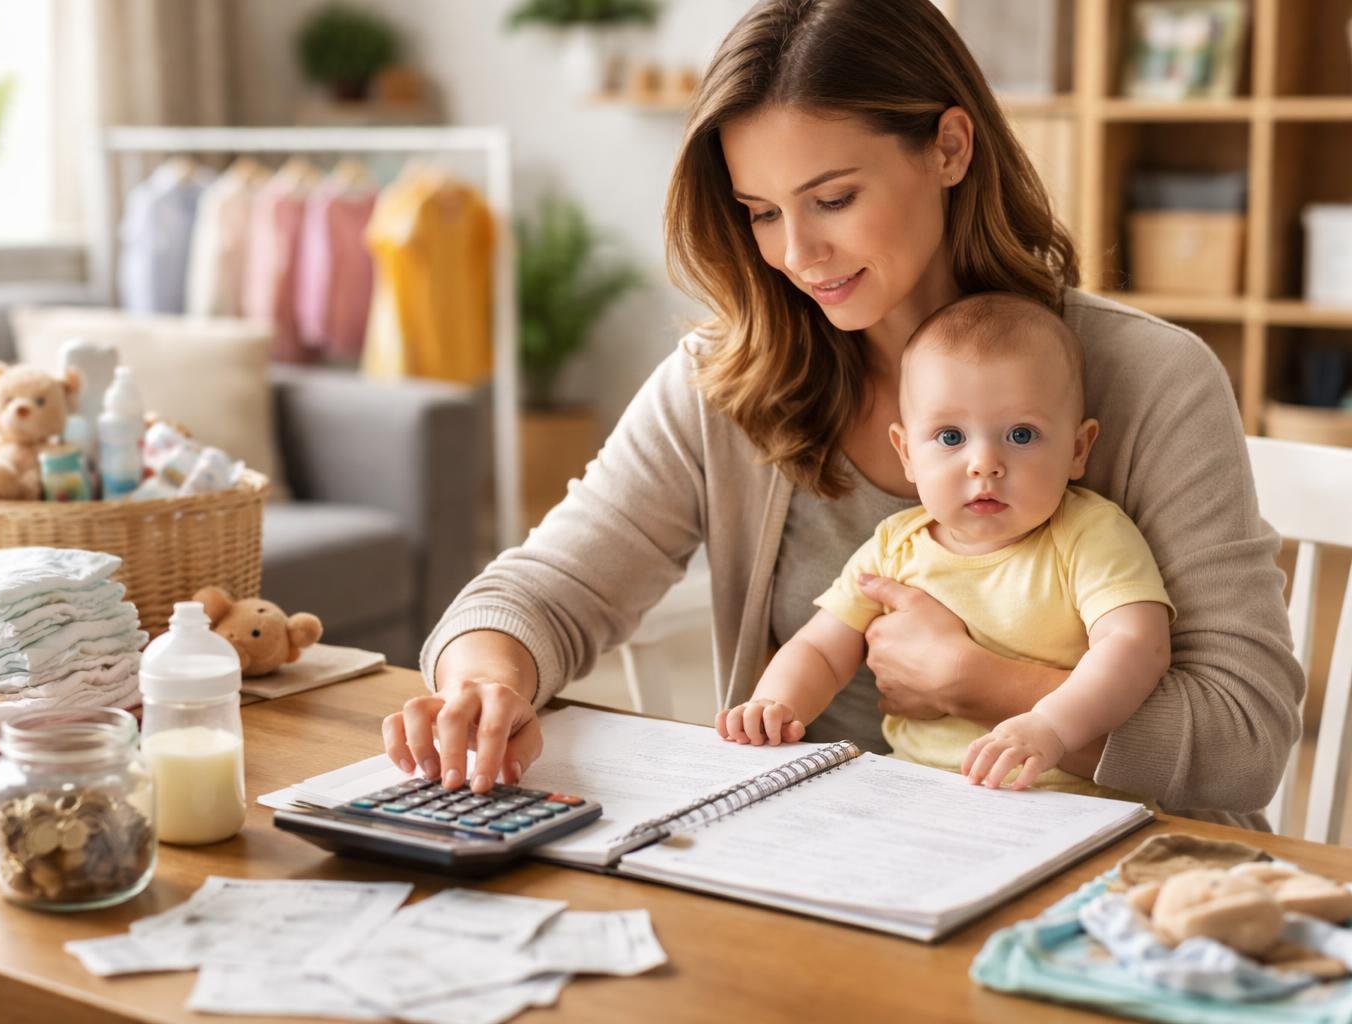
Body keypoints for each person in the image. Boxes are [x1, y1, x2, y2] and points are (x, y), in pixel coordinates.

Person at [383, 0, 1301, 829]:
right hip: (840, 860)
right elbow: (548, 587)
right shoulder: (733, 378)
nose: (797, 252)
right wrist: (484, 686)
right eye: (761, 212)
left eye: (832, 199)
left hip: (1115, 884)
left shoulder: (1150, 378)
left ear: (949, 147)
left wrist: (986, 685)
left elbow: (1248, 738)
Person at [716, 292, 1173, 798]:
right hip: (916, 792)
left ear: (1077, 449)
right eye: (951, 437)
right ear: (908, 453)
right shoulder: (896, 545)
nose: (984, 463)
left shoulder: (1088, 534)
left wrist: (1052, 727)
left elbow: (1135, 646)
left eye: (1021, 434)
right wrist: (776, 704)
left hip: (1059, 801)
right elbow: (821, 649)